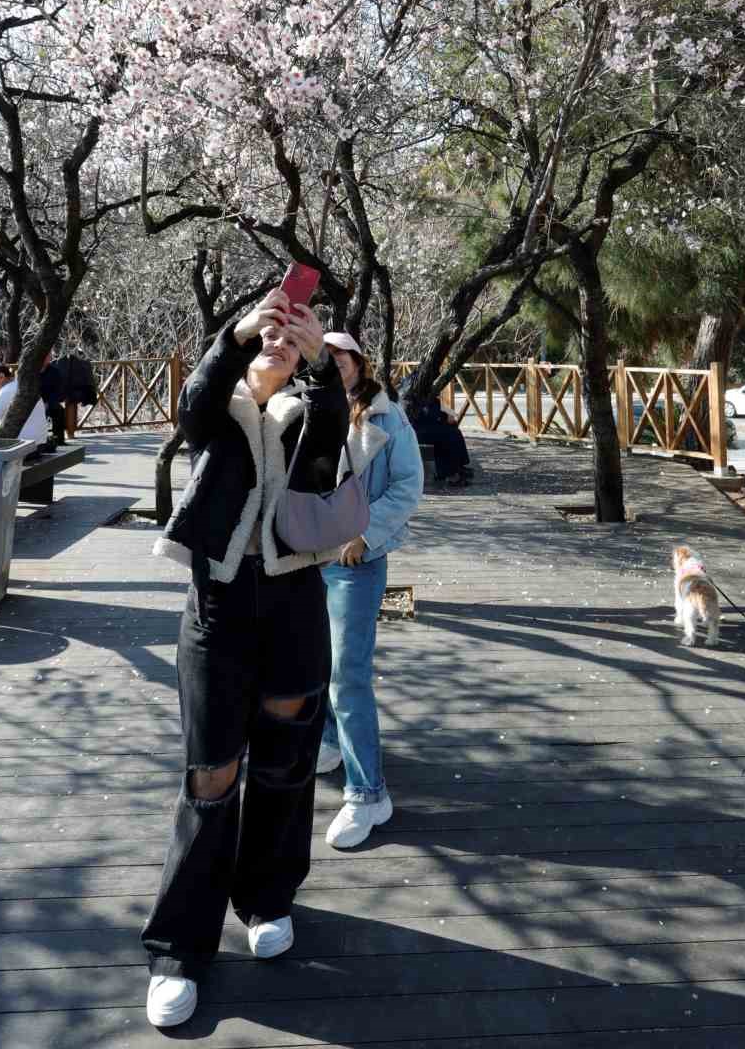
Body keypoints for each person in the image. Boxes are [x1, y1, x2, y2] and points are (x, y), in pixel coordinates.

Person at [141, 288, 349, 1031]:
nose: (277, 347)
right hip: (218, 613)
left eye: (288, 344)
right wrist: (239, 330)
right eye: (269, 339)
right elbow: (195, 394)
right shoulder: (215, 413)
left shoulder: (306, 415)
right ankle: (180, 947)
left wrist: (320, 357)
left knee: (286, 763)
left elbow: (333, 425)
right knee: (209, 774)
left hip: (294, 609)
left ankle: (266, 896)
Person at [317, 332, 423, 848]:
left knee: (347, 675)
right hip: (302, 555)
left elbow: (407, 485)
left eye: (342, 355)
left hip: (354, 561)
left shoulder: (387, 417)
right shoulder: (304, 406)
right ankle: (328, 741)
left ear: (359, 362)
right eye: (324, 355)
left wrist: (366, 532)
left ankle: (368, 793)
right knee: (309, 660)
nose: (333, 363)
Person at [407, 392, 473, 488]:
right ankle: (451, 475)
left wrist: (448, 415)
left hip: (429, 427)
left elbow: (438, 411)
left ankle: (458, 467)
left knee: (454, 432)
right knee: (447, 437)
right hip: (419, 432)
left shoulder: (432, 399)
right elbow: (422, 418)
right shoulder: (412, 399)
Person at [39, 353, 67, 446]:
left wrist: (49, 402)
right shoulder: (31, 371)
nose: (46, 358)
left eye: (48, 356)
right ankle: (40, 440)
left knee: (59, 410)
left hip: (50, 400)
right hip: (34, 401)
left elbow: (59, 389)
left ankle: (58, 440)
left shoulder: (54, 371)